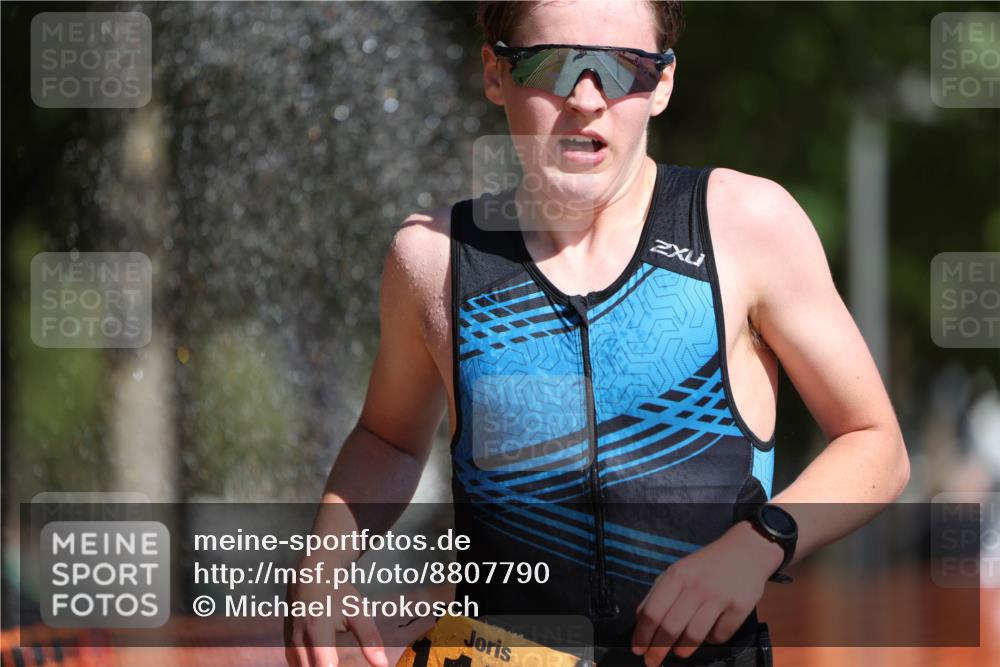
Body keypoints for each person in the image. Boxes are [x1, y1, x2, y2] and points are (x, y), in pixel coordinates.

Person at [285, 1, 911, 666]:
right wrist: (325, 557)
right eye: (553, 64)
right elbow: (389, 437)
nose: (587, 98)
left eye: (623, 69)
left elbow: (876, 443)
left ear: (662, 84)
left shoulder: (746, 227)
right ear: (496, 73)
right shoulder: (432, 259)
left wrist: (759, 543)